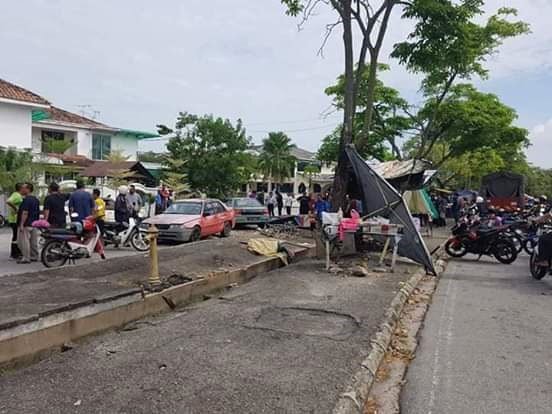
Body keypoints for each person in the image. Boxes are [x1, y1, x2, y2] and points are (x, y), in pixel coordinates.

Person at [16, 182, 40, 264]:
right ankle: (34, 256)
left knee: (23, 241)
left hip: (26, 223)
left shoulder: (26, 200)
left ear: (28, 189)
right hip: (34, 223)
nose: (21, 189)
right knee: (33, 241)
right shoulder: (36, 200)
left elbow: (25, 212)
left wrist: (21, 224)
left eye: (23, 188)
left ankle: (26, 257)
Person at [6, 183, 23, 259]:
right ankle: (14, 254)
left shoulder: (17, 195)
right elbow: (8, 201)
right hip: (15, 219)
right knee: (16, 236)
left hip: (14, 219)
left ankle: (16, 252)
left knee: (16, 236)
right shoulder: (16, 195)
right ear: (20, 188)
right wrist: (15, 209)